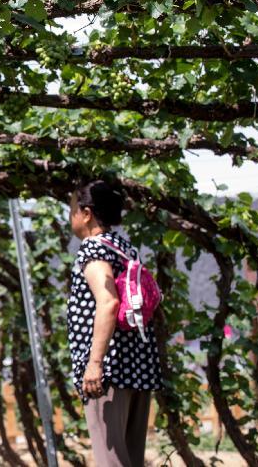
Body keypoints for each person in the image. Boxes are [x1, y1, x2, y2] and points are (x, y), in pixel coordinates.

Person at [68, 180, 161, 467]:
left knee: (110, 458)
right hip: (138, 364)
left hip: (110, 368)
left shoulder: (93, 249)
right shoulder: (125, 248)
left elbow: (108, 303)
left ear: (86, 213)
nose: (70, 217)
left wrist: (94, 363)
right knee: (131, 457)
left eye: (72, 210)